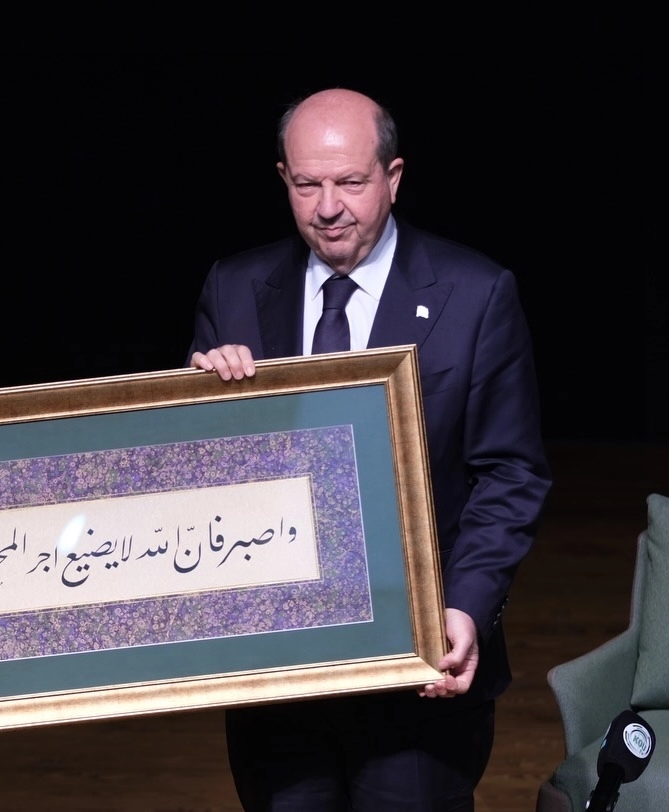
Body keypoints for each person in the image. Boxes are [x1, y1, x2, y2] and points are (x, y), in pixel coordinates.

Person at [188, 88, 552, 811]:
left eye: (350, 182)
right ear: (283, 179)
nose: (328, 207)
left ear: (393, 177)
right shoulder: (233, 290)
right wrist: (200, 409)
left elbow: (510, 475)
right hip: (280, 672)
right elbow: (198, 484)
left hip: (419, 667)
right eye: (307, 184)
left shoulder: (476, 293)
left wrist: (466, 608)